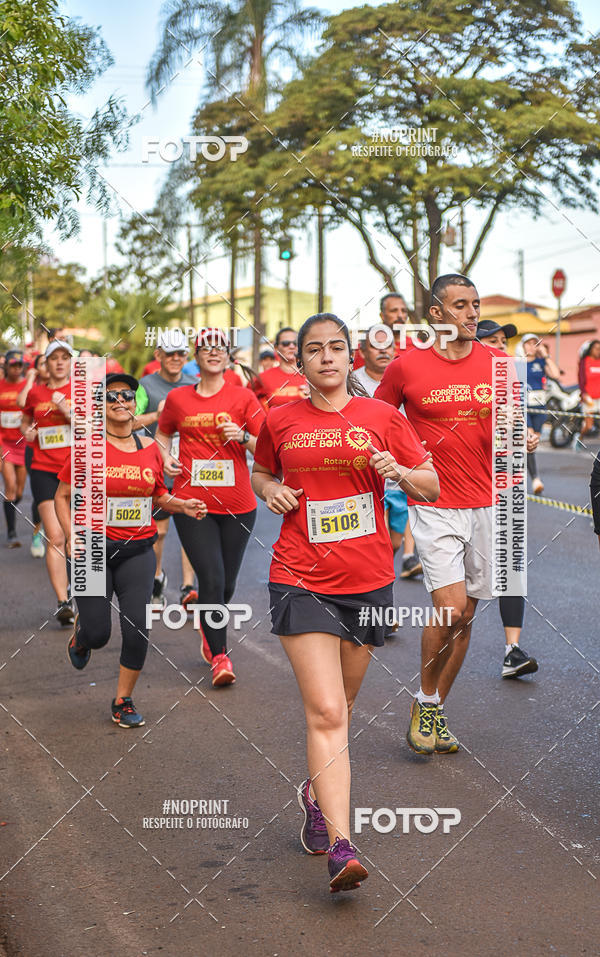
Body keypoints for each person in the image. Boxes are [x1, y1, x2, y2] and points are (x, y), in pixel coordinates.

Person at [251, 313, 438, 892]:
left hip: (368, 580)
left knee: (345, 706)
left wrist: (400, 470)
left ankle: (314, 790)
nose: (326, 357)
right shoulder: (279, 420)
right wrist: (272, 489)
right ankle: (343, 844)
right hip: (299, 576)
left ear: (351, 357)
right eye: (314, 349)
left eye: (337, 348)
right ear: (299, 360)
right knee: (328, 712)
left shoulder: (382, 418)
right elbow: (260, 471)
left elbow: (430, 484)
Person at [376, 274, 521, 755]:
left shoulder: (497, 362)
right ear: (435, 314)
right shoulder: (406, 367)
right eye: (461, 305)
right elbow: (378, 422)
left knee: (468, 617)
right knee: (450, 607)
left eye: (475, 304)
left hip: (487, 504)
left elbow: (509, 426)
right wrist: (397, 468)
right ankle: (424, 696)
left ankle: (433, 707)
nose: (472, 313)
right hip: (433, 503)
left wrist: (520, 438)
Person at [54, 374, 207, 727]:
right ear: (100, 406)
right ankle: (83, 636)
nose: (120, 400)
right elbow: (62, 496)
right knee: (99, 633)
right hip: (92, 549)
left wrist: (181, 506)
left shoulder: (150, 447)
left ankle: (123, 700)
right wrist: (70, 532)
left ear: (135, 403)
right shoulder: (87, 448)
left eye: (127, 395)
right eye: (111, 397)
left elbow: (157, 495)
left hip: (139, 550)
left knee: (138, 627)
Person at [156, 328, 266, 687]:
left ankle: (208, 624)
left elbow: (266, 448)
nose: (214, 353)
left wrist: (244, 437)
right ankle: (220, 657)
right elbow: (163, 433)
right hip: (192, 504)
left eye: (221, 348)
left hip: (238, 504)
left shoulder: (243, 397)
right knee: (213, 579)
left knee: (225, 587)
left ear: (228, 356)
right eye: (207, 348)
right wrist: (165, 459)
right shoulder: (178, 399)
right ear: (197, 356)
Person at [477, 320, 539, 678]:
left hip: (501, 484)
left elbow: (516, 423)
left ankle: (511, 651)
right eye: (493, 341)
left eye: (503, 342)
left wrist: (526, 438)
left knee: (512, 565)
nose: (500, 347)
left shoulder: (509, 379)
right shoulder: (458, 382)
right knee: (461, 593)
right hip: (460, 491)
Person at [135, 331, 199, 610]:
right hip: (156, 466)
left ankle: (188, 587)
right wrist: (157, 415)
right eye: (169, 353)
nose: (175, 358)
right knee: (159, 531)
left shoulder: (195, 384)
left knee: (192, 528)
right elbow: (128, 421)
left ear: (187, 357)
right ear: (158, 355)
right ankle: (157, 578)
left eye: (180, 353)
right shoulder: (144, 385)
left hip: (190, 466)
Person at [354, 331, 422, 583]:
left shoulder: (407, 378)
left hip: (400, 468)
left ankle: (382, 579)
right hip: (366, 470)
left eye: (388, 346)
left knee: (392, 540)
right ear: (362, 351)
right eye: (375, 346)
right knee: (376, 541)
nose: (383, 351)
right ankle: (379, 602)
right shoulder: (352, 382)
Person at [20, 340, 74, 624]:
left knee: (75, 538)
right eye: (55, 358)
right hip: (44, 470)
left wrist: (66, 410)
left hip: (77, 471)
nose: (60, 362)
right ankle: (63, 601)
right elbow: (25, 420)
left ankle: (81, 594)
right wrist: (27, 431)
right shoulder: (35, 393)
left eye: (66, 357)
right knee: (56, 535)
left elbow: (92, 426)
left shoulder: (81, 391)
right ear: (47, 363)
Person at [17, 354, 49, 558]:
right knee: (40, 497)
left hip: (66, 454)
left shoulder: (71, 388)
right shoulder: (34, 391)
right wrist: (30, 378)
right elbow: (21, 404)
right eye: (44, 363)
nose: (51, 365)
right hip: (36, 451)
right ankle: (38, 532)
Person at [520, 333, 560, 494]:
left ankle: (523, 471)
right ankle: (535, 479)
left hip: (540, 407)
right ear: (523, 346)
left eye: (535, 343)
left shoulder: (541, 362)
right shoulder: (517, 362)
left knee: (532, 444)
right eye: (528, 343)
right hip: (524, 407)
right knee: (529, 438)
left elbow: (556, 375)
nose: (532, 346)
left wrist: (546, 355)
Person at [0, 350, 27, 547]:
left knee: (19, 491)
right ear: (6, 367)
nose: (16, 369)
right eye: (13, 365)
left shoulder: (27, 386)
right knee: (9, 486)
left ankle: (9, 507)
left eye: (20, 365)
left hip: (24, 443)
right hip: (5, 443)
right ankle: (11, 534)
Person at [250, 328, 308, 409]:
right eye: (285, 343)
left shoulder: (312, 376)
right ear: (276, 348)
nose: (291, 346)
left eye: (295, 343)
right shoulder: (262, 378)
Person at [353, 293, 410, 370]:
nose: (400, 315)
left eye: (404, 311)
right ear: (382, 315)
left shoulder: (418, 347)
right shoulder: (364, 349)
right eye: (394, 311)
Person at [578, 340, 600, 441]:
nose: (598, 351)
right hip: (589, 397)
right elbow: (581, 379)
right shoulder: (585, 362)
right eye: (596, 348)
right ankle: (579, 439)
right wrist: (584, 394)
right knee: (588, 426)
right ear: (591, 349)